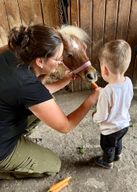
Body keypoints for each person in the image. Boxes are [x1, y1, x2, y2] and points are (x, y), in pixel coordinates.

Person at [0, 24, 99, 179]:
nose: (61, 62)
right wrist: (91, 100)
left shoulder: (14, 49)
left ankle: (19, 138)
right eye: (59, 59)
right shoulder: (28, 85)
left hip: (4, 116)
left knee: (47, 104)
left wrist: (62, 82)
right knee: (53, 165)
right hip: (2, 147)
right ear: (40, 61)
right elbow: (65, 126)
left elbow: (34, 94)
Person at [92, 39, 133, 169]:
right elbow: (126, 98)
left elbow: (102, 116)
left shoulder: (106, 93)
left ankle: (107, 161)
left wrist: (94, 115)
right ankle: (118, 154)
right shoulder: (128, 82)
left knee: (108, 145)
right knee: (118, 141)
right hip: (124, 124)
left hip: (110, 129)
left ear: (104, 69)